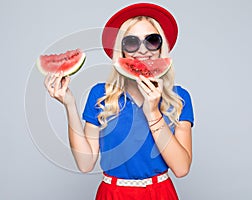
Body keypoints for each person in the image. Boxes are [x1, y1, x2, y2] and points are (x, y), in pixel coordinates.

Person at [44, 3, 194, 200]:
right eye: (131, 42)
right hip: (113, 193)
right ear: (121, 51)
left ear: (161, 48)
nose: (142, 51)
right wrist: (69, 104)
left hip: (160, 193)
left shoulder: (179, 98)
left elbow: (181, 168)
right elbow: (85, 164)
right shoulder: (100, 95)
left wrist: (153, 112)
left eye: (152, 40)